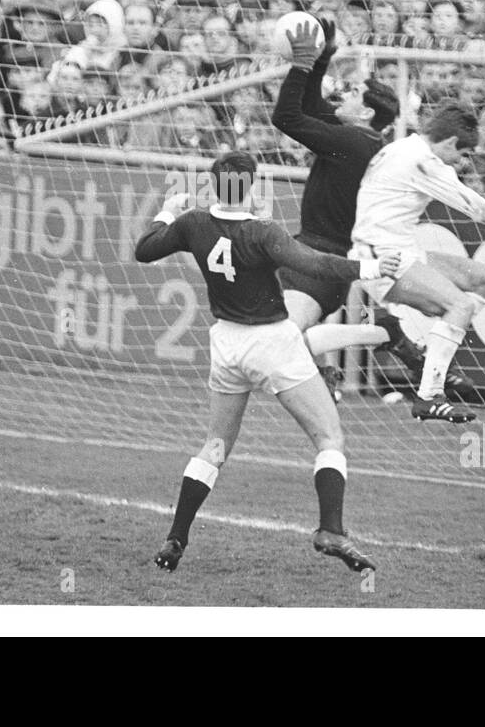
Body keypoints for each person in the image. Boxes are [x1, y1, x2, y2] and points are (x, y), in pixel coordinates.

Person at [134, 151, 401, 574]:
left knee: (215, 446)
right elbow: (315, 263)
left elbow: (144, 250)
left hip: (226, 345)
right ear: (253, 186)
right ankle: (331, 529)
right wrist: (368, 265)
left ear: (213, 185)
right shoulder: (264, 233)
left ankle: (176, 538)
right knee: (329, 437)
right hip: (272, 343)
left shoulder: (193, 224)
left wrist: (167, 211)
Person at [272, 19, 474, 420]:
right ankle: (366, 346)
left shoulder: (350, 141)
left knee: (279, 342)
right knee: (271, 337)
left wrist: (301, 63)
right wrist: (323, 55)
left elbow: (287, 118)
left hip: (323, 258)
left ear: (365, 111)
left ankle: (368, 343)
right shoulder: (360, 138)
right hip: (312, 252)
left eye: (351, 92)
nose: (340, 95)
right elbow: (309, 108)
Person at [350, 103, 485, 416]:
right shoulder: (422, 161)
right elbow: (477, 209)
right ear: (449, 143)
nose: (462, 162)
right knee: (460, 306)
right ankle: (428, 395)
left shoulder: (403, 148)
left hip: (399, 250)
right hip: (382, 257)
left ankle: (428, 354)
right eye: (463, 154)